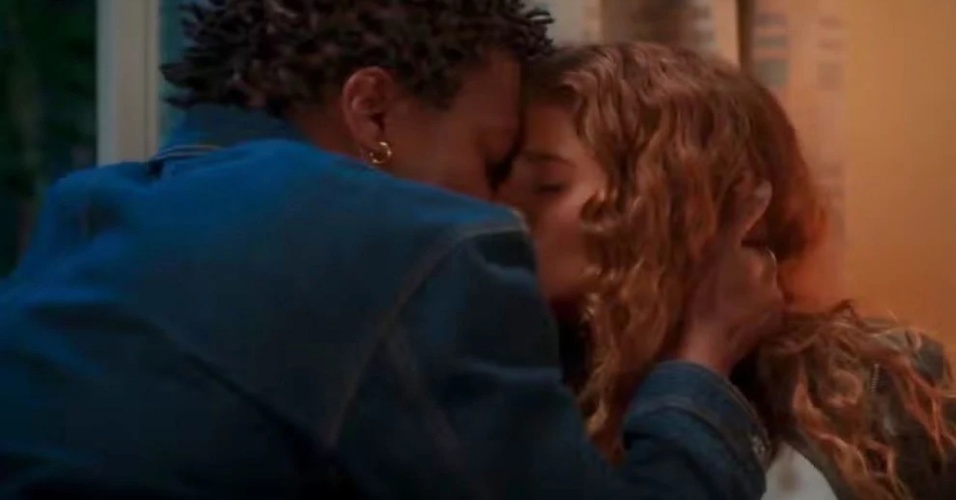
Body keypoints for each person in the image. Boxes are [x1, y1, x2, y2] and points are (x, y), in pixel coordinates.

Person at [0, 2, 781, 500]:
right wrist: (703, 358)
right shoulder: (403, 239)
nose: (495, 205)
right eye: (490, 157)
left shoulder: (84, 212)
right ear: (372, 112)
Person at [498, 41, 956, 500]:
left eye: (547, 185)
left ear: (683, 208)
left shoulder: (876, 386)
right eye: (496, 180)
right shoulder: (505, 397)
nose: (501, 207)